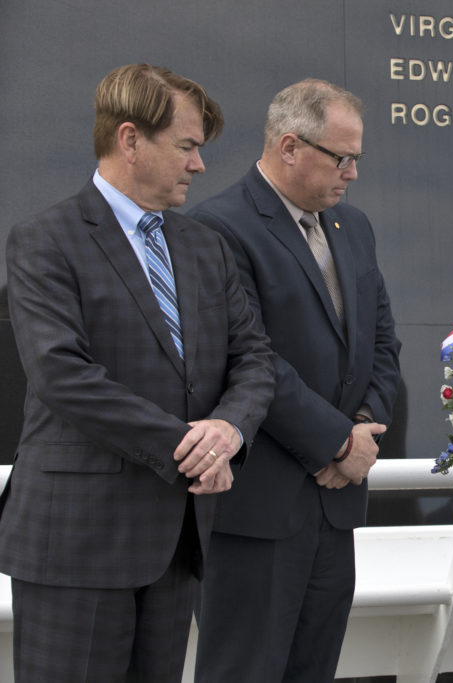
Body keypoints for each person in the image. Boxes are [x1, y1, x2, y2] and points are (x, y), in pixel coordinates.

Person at [0, 63, 275, 682]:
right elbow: (61, 374)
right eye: (186, 146)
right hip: (76, 544)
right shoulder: (44, 241)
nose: (198, 165)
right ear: (130, 140)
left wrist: (229, 430)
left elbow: (254, 357)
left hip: (175, 547)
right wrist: (191, 448)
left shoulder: (206, 247)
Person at [188, 78, 401, 682]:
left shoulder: (352, 228)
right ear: (289, 146)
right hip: (256, 512)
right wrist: (335, 442)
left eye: (357, 157)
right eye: (342, 157)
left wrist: (360, 433)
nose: (352, 173)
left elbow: (382, 342)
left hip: (334, 509)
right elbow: (248, 359)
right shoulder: (219, 229)